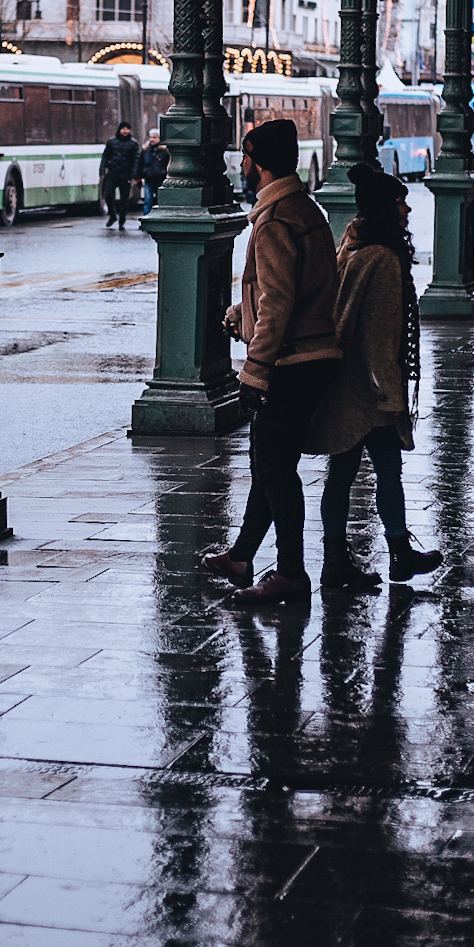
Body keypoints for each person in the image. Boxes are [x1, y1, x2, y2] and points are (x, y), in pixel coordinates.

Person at [203, 118, 342, 605]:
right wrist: (245, 313)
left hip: (292, 360)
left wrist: (255, 370)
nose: (242, 165)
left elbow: (280, 302)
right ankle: (242, 556)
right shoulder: (304, 209)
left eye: (245, 157)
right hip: (311, 353)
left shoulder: (275, 218)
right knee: (269, 462)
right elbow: (296, 288)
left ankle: (290, 572)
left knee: (275, 469)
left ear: (259, 162)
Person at [308, 163, 442, 589]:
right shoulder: (384, 259)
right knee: (386, 471)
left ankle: (337, 558)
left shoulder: (351, 245)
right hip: (370, 390)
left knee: (343, 473)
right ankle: (397, 553)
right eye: (400, 202)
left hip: (345, 381)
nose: (406, 209)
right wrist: (391, 394)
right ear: (385, 209)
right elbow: (382, 334)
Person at [99, 122, 142, 229]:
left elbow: (136, 160)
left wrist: (134, 175)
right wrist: (102, 171)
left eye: (127, 129)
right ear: (119, 130)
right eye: (123, 129)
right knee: (108, 195)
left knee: (124, 199)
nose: (125, 131)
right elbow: (105, 157)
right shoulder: (111, 142)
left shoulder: (133, 144)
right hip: (112, 173)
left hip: (126, 175)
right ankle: (112, 215)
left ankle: (122, 219)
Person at [140, 129, 168, 215]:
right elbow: (140, 164)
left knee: (160, 201)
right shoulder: (146, 151)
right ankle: (146, 218)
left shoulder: (164, 152)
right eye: (151, 137)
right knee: (148, 200)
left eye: (154, 137)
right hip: (149, 179)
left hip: (160, 179)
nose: (152, 139)